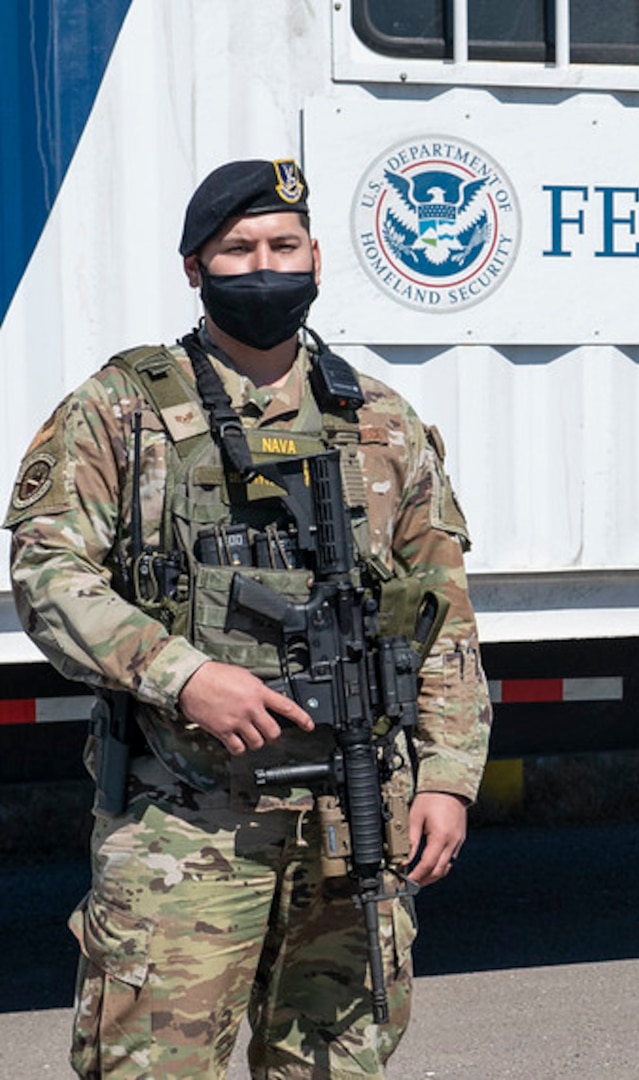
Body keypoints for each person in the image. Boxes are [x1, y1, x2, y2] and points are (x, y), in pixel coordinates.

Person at [5, 159, 492, 1078]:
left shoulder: (382, 421)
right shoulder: (121, 411)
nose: (263, 265)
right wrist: (181, 672)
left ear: (315, 258)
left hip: (355, 823)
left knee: (333, 1065)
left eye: (283, 245)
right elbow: (46, 574)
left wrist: (449, 778)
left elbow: (443, 621)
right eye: (237, 249)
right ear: (195, 268)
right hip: (187, 830)